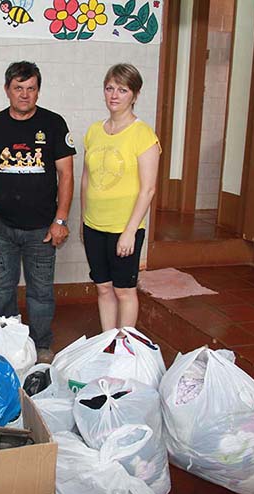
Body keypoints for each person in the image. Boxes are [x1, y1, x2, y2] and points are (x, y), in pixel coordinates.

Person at [0, 61, 75, 363]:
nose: (25, 94)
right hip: (1, 225)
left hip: (42, 229)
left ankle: (42, 346)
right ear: (7, 90)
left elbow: (66, 174)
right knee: (2, 292)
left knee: (40, 293)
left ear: (38, 92)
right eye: (19, 88)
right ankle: (7, 346)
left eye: (31, 89)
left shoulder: (54, 124)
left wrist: (60, 219)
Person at [81, 63, 160, 330]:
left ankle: (126, 348)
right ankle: (108, 343)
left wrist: (129, 232)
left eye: (122, 90)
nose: (114, 95)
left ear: (135, 95)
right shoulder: (93, 131)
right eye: (109, 88)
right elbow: (86, 179)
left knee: (123, 290)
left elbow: (148, 189)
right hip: (94, 225)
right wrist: (83, 221)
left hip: (124, 228)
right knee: (103, 288)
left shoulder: (143, 134)